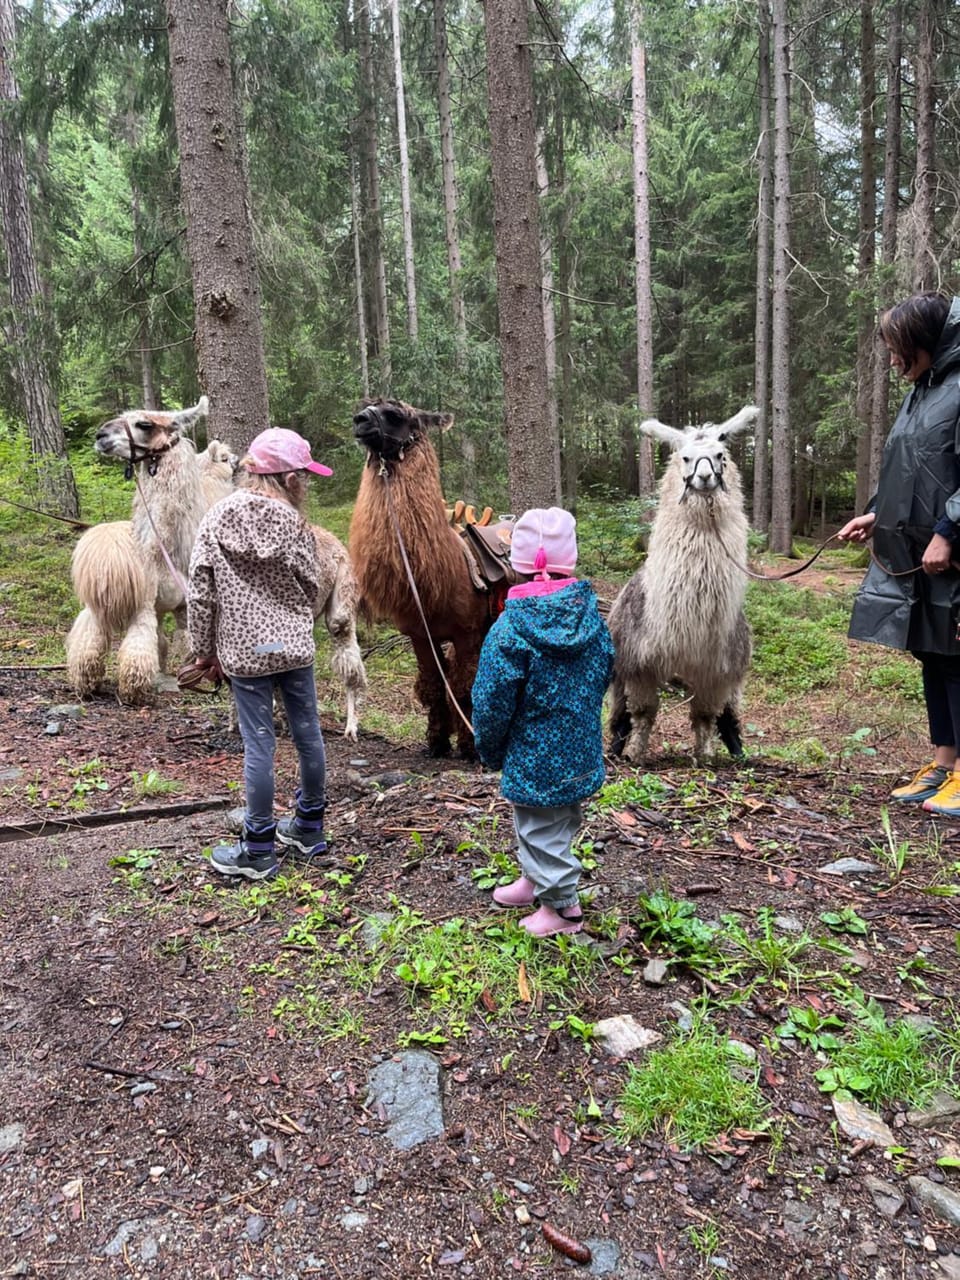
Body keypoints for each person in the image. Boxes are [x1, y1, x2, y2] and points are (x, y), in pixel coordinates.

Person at [187, 427, 334, 879]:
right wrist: (294, 621)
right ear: (290, 480)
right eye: (304, 477)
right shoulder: (294, 524)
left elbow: (200, 591)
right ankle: (309, 827)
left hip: (244, 653)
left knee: (259, 746)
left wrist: (202, 651)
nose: (306, 484)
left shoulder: (217, 517)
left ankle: (258, 850)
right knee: (308, 733)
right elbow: (313, 583)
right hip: (293, 648)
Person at [837, 291, 960, 816]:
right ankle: (945, 762)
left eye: (898, 348)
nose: (891, 360)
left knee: (958, 659)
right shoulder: (923, 391)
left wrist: (950, 531)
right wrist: (874, 512)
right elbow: (909, 470)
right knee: (933, 655)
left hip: (950, 553)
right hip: (916, 551)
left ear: (927, 342)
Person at [471, 507, 615, 937]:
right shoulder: (593, 620)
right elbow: (605, 670)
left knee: (540, 825)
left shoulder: (509, 628)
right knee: (551, 820)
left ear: (515, 565)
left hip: (532, 753)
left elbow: (491, 698)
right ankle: (535, 879)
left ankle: (563, 908)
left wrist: (490, 746)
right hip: (580, 748)